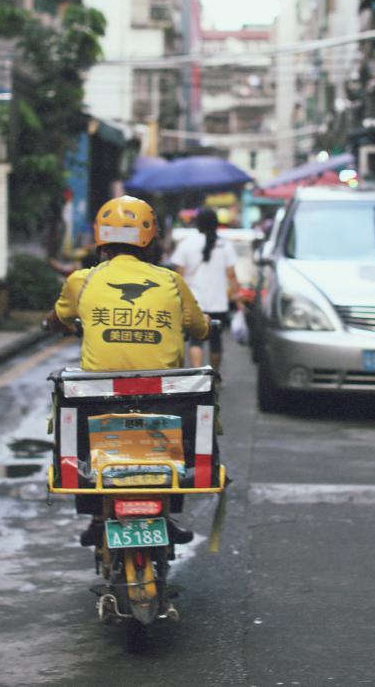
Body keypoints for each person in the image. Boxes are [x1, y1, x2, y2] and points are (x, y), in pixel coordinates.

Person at [45, 195, 210, 545]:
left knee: (84, 436)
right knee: (171, 443)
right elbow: (199, 328)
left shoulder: (82, 281)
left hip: (98, 401)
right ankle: (164, 512)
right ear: (150, 238)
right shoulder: (170, 282)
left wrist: (54, 324)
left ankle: (95, 517)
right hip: (165, 403)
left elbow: (58, 318)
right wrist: (206, 325)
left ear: (100, 239)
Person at [168, 208, 240, 371]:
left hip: (194, 301)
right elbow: (231, 274)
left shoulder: (187, 244)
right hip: (218, 302)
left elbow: (179, 274)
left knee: (195, 340)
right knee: (216, 342)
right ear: (216, 223)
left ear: (197, 223)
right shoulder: (224, 245)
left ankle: (197, 374)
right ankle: (214, 377)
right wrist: (238, 295)